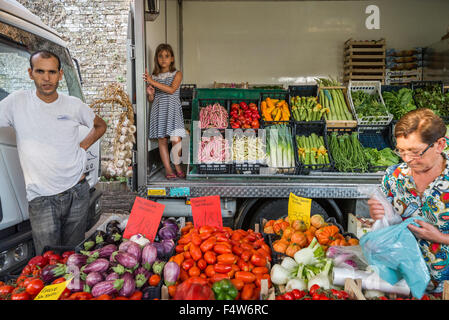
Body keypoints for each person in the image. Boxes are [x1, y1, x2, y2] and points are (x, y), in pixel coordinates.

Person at [0, 50, 107, 255]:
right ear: (30, 73)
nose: (46, 78)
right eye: (40, 71)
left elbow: (100, 125)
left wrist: (83, 146)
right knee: (48, 261)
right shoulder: (16, 102)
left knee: (73, 257)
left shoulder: (73, 105)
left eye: (51, 72)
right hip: (41, 198)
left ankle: (73, 287)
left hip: (77, 191)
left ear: (60, 74)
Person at [368, 108, 449, 293]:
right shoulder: (394, 176)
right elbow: (387, 221)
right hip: (403, 285)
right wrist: (378, 213)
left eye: (415, 152)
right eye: (402, 151)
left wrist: (440, 238)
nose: (408, 159)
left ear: (440, 145)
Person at [143, 43, 186, 180]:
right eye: (160, 56)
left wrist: (151, 81)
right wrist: (150, 94)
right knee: (162, 140)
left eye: (167, 56)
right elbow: (152, 99)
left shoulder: (177, 74)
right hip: (159, 109)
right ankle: (168, 169)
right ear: (156, 58)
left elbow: (172, 90)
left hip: (173, 109)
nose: (163, 59)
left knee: (176, 139)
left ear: (172, 58)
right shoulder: (154, 76)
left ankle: (177, 165)